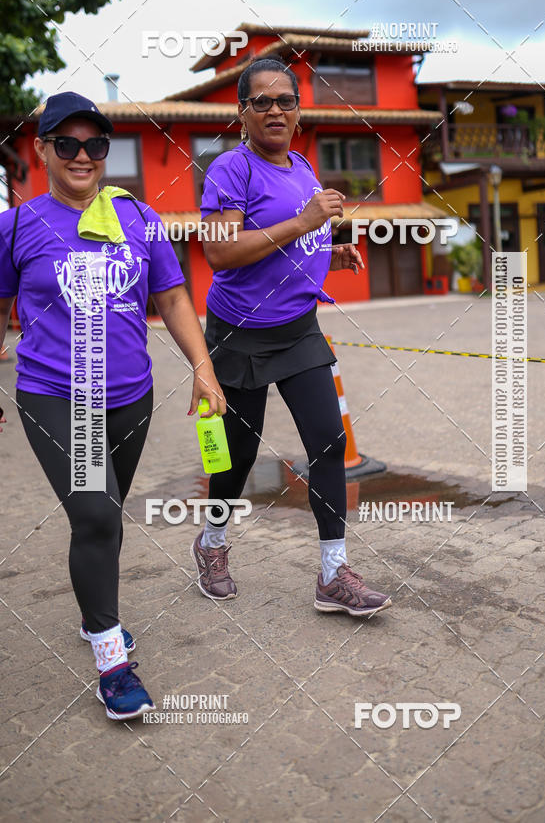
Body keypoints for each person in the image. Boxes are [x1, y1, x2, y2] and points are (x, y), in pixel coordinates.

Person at [0, 92, 225, 721]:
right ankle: (111, 659)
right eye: (65, 143)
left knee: (105, 513)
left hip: (131, 396)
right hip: (54, 396)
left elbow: (174, 298)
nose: (81, 155)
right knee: (97, 517)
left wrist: (203, 371)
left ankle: (92, 608)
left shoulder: (140, 219)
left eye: (94, 145)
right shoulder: (16, 226)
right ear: (40, 149)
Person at [190, 57, 392, 617]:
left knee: (328, 440)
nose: (275, 110)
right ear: (243, 113)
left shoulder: (302, 166)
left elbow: (290, 243)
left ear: (299, 112)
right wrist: (304, 224)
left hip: (298, 328)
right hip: (240, 332)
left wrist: (328, 251)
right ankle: (211, 543)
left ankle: (332, 572)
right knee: (236, 456)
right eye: (262, 101)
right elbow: (220, 253)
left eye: (285, 101)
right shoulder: (230, 169)